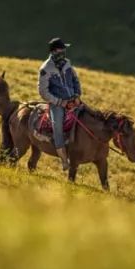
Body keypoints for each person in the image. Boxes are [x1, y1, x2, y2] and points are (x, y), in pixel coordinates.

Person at [37, 37, 81, 171]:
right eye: (62, 48)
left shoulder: (67, 63)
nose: (64, 51)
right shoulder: (45, 68)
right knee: (57, 126)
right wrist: (60, 102)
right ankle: (64, 160)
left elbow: (75, 80)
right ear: (55, 50)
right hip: (57, 104)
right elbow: (43, 91)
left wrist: (77, 94)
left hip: (73, 100)